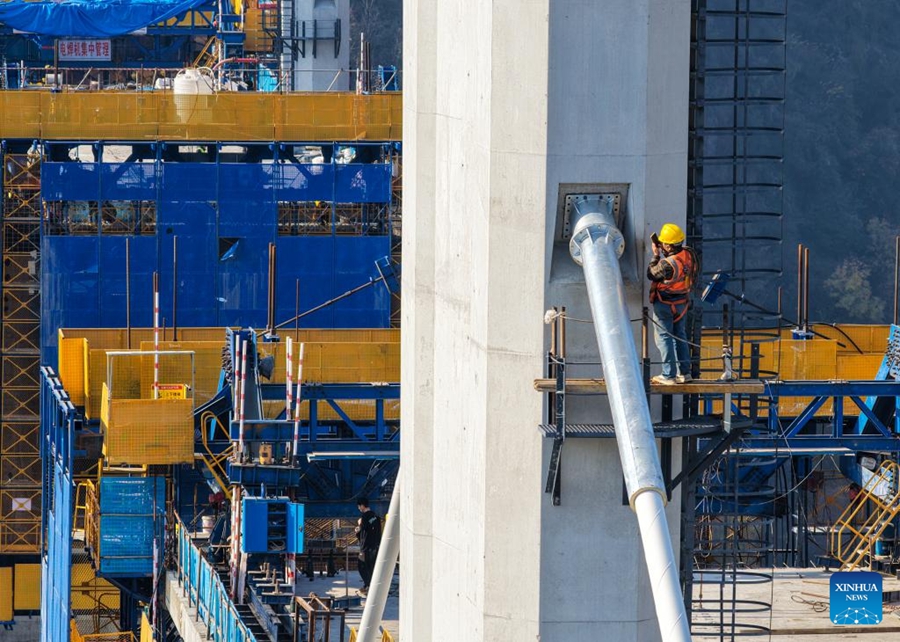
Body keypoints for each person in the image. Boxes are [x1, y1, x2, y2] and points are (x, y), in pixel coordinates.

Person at [647, 223, 699, 385]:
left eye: (663, 243)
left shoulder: (667, 264)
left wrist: (656, 255)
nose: (661, 245)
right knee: (680, 335)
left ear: (669, 246)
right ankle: (685, 373)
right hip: (682, 303)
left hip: (664, 304)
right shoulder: (689, 254)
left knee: (665, 337)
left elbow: (651, 274)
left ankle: (668, 375)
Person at [354, 498, 382, 595]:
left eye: (359, 506)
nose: (359, 508)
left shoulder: (364, 517)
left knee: (362, 566)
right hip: (375, 546)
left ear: (362, 506)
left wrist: (358, 527)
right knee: (371, 567)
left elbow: (362, 533)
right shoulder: (376, 516)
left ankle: (369, 586)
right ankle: (370, 586)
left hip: (366, 547)